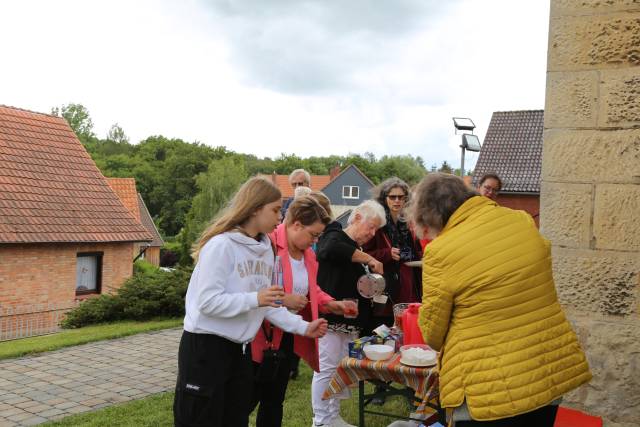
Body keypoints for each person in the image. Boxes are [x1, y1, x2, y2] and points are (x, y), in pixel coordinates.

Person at [409, 173, 592, 427]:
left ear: (430, 214)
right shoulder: (521, 221)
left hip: (488, 390)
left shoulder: (441, 251)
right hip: (545, 373)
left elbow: (433, 335)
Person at [173, 177, 328, 427]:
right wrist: (255, 298)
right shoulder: (221, 245)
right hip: (205, 348)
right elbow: (207, 302)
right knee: (200, 420)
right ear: (256, 208)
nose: (281, 217)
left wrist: (303, 327)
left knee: (235, 419)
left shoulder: (267, 250)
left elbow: (264, 304)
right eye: (276, 210)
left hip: (239, 350)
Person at [250, 196, 356, 427]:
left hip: (286, 336)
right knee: (246, 400)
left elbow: (311, 289)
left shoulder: (307, 254)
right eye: (313, 235)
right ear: (296, 224)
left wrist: (331, 303)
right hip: (259, 337)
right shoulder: (266, 246)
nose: (316, 241)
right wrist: (284, 299)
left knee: (274, 400)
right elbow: (254, 289)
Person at [311, 200, 386, 427]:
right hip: (330, 319)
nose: (372, 234)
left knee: (338, 369)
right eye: (370, 226)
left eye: (376, 230)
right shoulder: (334, 235)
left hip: (349, 321)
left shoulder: (357, 249)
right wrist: (371, 259)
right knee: (325, 369)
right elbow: (330, 249)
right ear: (355, 218)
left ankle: (333, 415)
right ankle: (322, 421)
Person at [364, 177, 423, 323]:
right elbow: (365, 254)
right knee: (385, 328)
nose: (397, 200)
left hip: (409, 280)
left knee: (407, 323)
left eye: (401, 197)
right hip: (386, 284)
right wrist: (387, 254)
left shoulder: (410, 222)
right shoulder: (377, 223)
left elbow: (416, 251)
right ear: (385, 199)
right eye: (392, 197)